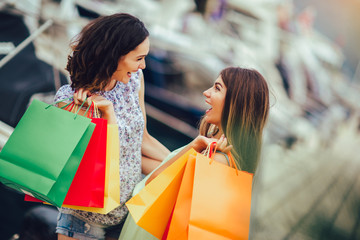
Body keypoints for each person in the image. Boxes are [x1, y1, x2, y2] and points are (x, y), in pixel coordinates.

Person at [53, 13, 170, 240]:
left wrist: (184, 163)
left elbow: (142, 140)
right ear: (115, 56)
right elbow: (98, 163)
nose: (143, 65)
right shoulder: (70, 100)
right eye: (139, 58)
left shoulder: (134, 82)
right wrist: (108, 114)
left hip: (126, 218)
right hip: (83, 224)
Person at [119, 66, 270, 239]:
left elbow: (151, 187)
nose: (206, 92)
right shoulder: (217, 154)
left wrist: (193, 146)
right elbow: (157, 168)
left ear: (236, 102)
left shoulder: (217, 161)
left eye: (217, 88)